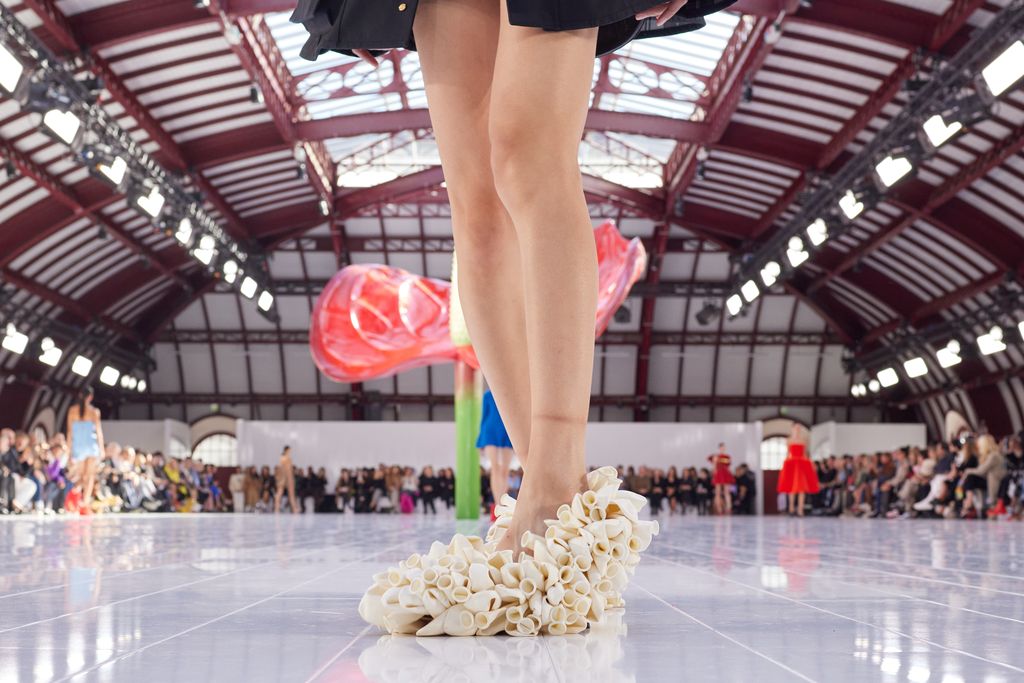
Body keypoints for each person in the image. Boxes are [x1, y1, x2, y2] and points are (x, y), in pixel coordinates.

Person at [476, 388, 515, 520]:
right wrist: (480, 440)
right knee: (495, 468)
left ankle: (503, 505)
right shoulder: (488, 394)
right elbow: (484, 416)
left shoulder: (512, 391)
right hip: (490, 430)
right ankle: (497, 505)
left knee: (504, 470)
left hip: (508, 429)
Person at [66, 386, 104, 515]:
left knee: (81, 475)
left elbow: (70, 432)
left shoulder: (72, 411)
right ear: (90, 397)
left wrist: (68, 449)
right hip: (90, 445)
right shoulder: (94, 411)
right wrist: (102, 449)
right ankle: (84, 503)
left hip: (78, 445)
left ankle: (78, 502)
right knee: (89, 476)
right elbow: (98, 432)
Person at [777, 424, 819, 516]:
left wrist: (810, 465)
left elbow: (805, 454)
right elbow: (788, 454)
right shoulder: (789, 440)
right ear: (792, 429)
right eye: (795, 428)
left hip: (801, 465)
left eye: (799, 428)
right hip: (792, 465)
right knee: (791, 488)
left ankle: (800, 509)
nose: (797, 430)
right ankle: (791, 508)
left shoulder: (804, 441)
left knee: (802, 488)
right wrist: (785, 466)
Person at [708, 443, 735, 515]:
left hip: (725, 474)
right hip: (719, 474)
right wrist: (714, 473)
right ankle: (719, 509)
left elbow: (728, 466)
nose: (722, 449)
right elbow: (714, 467)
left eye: (723, 447)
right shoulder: (716, 456)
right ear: (719, 448)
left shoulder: (727, 457)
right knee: (718, 492)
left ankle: (728, 507)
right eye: (721, 447)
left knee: (727, 492)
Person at [274, 446, 298, 514]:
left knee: (288, 494)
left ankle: (278, 508)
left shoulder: (284, 458)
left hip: (286, 476)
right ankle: (277, 508)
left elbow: (285, 468)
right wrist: (290, 478)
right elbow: (287, 469)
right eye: (289, 450)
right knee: (282, 493)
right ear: (286, 450)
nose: (290, 452)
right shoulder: (285, 458)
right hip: (286, 477)